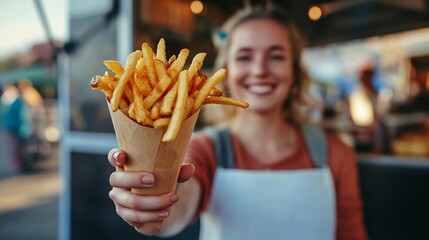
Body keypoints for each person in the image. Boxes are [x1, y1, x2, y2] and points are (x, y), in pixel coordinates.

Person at [107, 5, 367, 240]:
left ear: (295, 72)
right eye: (244, 56)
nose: (259, 70)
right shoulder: (205, 150)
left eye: (276, 56)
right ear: (226, 72)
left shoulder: (335, 153)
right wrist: (152, 212)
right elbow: (179, 207)